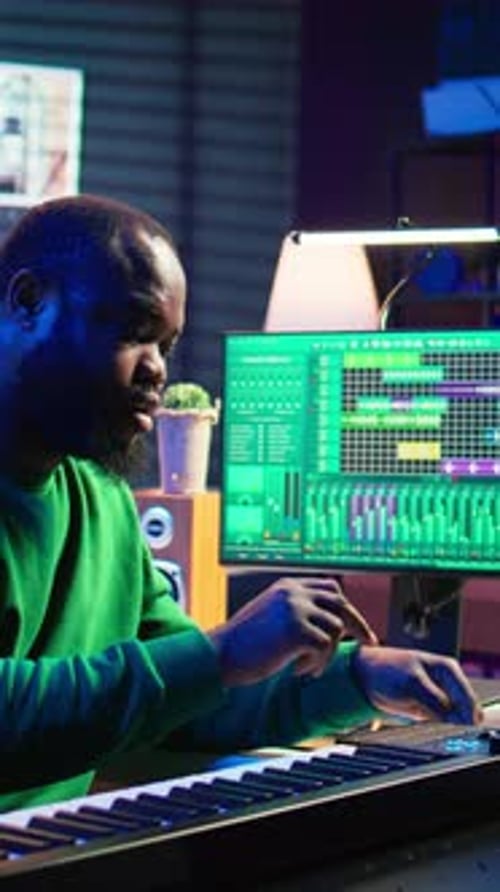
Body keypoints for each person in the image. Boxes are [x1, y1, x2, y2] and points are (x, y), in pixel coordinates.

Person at [0, 193, 481, 814]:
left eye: (166, 347)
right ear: (28, 302)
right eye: (133, 332)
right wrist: (223, 651)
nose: (156, 371)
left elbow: (190, 697)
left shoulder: (102, 502)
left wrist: (361, 675)